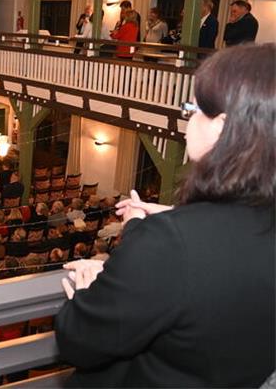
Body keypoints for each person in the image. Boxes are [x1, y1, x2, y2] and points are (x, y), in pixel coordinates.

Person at [55, 44, 275, 387]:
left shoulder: (168, 243)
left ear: (222, 127)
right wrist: (171, 219)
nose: (187, 121)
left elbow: (78, 343)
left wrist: (88, 290)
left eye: (193, 110)